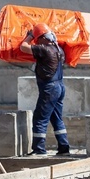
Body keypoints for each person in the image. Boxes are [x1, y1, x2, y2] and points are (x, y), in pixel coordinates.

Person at [19, 23, 70, 156]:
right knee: (56, 118)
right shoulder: (59, 50)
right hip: (59, 86)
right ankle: (64, 148)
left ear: (43, 37)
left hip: (50, 88)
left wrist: (29, 36)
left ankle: (39, 149)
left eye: (37, 38)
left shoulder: (45, 49)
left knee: (40, 118)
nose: (36, 41)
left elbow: (23, 47)